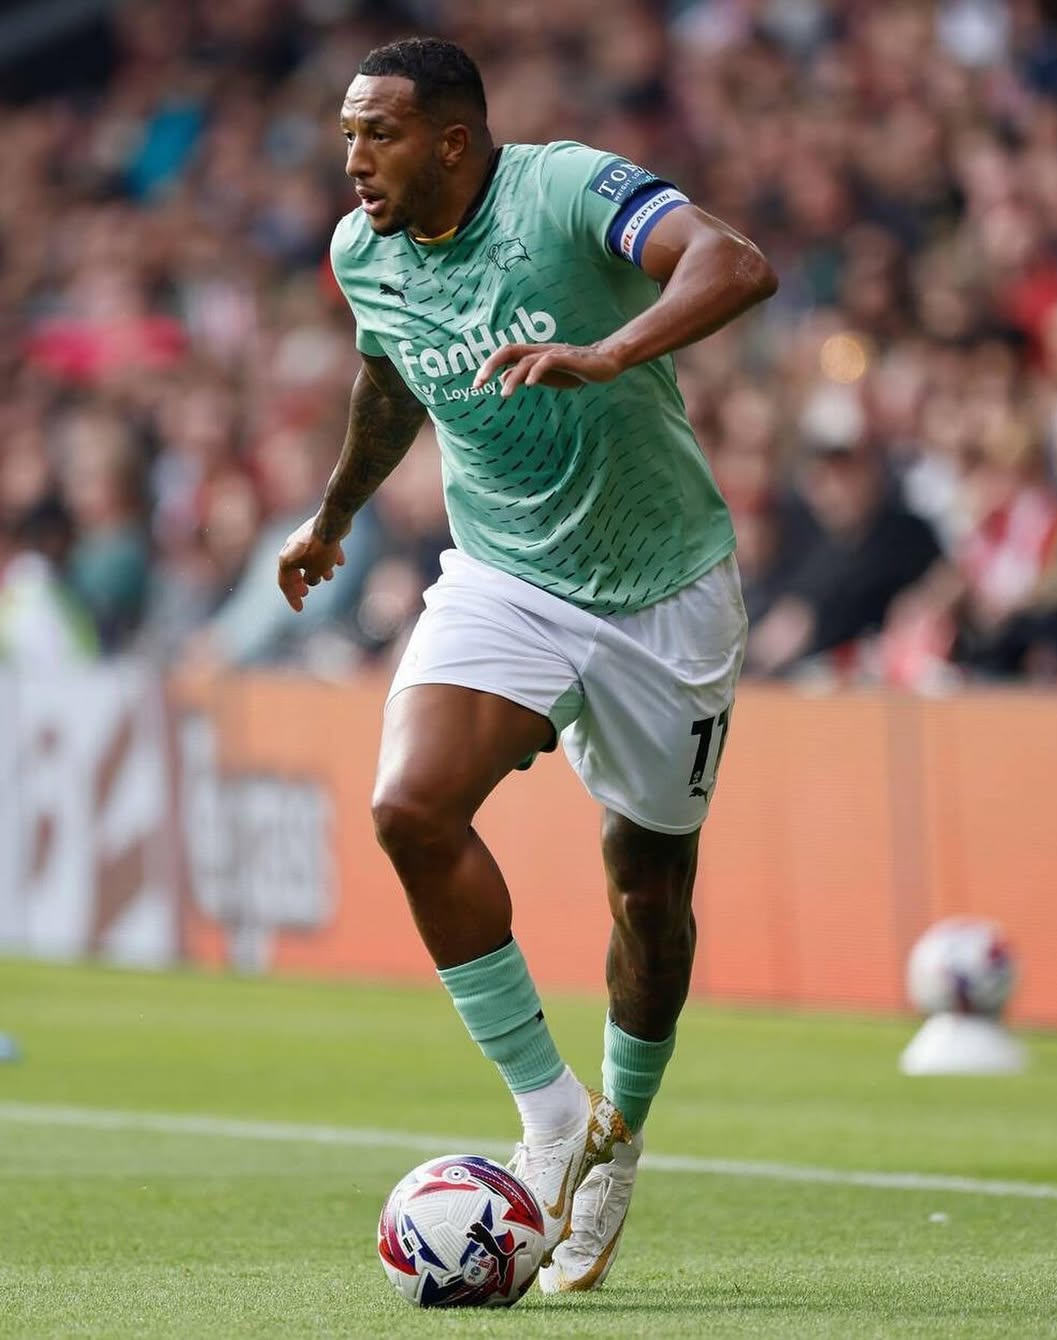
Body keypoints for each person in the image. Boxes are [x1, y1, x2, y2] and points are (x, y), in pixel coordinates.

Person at [277, 36, 777, 1292]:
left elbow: (735, 261)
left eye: (379, 134)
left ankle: (617, 1131)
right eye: (347, 135)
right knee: (409, 806)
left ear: (452, 140)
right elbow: (390, 382)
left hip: (665, 587)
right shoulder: (364, 253)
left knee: (648, 892)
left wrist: (613, 349)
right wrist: (333, 517)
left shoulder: (560, 189)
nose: (354, 160)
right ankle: (550, 1113)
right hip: (506, 574)